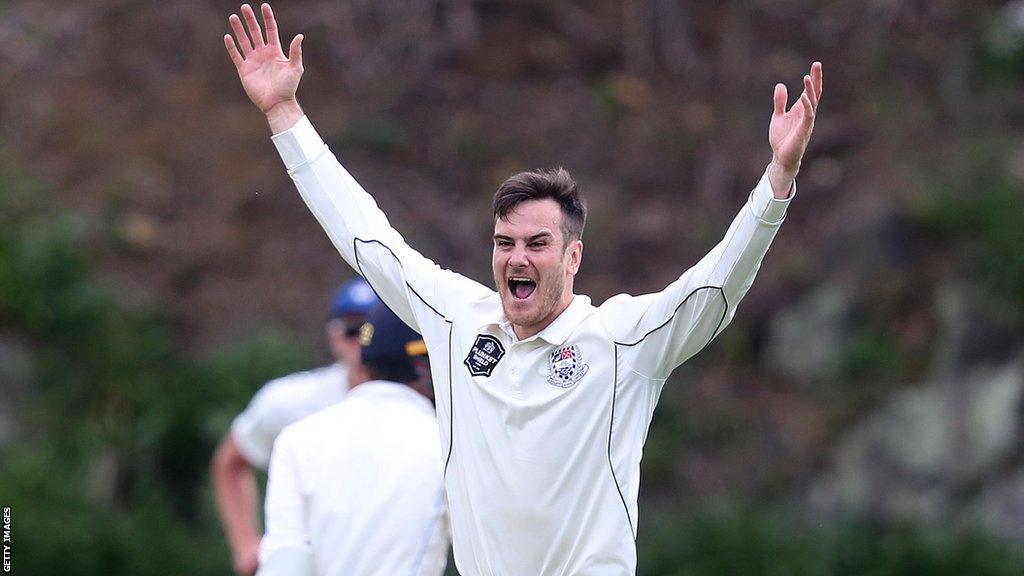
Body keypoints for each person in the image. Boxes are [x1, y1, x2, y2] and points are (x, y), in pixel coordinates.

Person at [223, 3, 822, 573]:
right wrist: (284, 114)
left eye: (537, 244)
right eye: (505, 243)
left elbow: (717, 286)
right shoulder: (459, 319)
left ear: (573, 256)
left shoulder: (621, 339)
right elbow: (365, 235)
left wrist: (778, 179)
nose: (517, 258)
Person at [258, 303, 448, 576]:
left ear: (364, 365)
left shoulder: (296, 440)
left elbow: (285, 562)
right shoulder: (447, 446)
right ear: (423, 366)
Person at [212, 278, 379, 576]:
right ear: (333, 337)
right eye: (354, 330)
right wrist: (246, 545)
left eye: (374, 331)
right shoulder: (289, 401)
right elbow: (231, 462)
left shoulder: (428, 409)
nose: (364, 342)